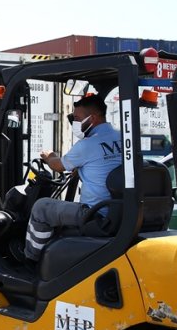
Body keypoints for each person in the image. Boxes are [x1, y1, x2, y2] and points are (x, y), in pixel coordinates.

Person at [24, 94, 122, 264]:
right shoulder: (121, 138)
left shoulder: (88, 144)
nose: (74, 122)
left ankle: (31, 261)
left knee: (41, 208)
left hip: (96, 213)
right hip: (118, 210)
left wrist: (49, 156)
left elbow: (58, 166)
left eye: (77, 118)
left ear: (94, 118)